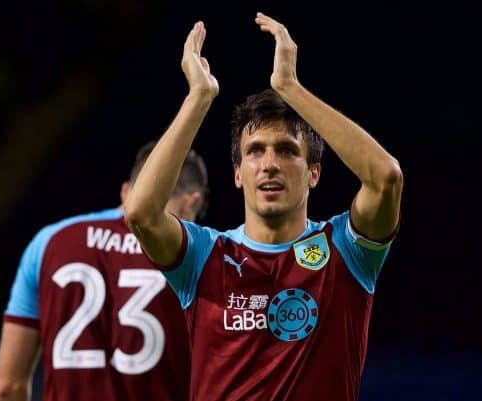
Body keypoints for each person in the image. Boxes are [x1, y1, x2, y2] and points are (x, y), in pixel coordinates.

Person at [123, 12, 403, 401]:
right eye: (255, 151)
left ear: (314, 173)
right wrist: (198, 98)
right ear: (238, 173)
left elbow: (386, 178)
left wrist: (290, 89)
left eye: (287, 151)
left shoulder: (346, 251)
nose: (270, 163)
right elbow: (140, 213)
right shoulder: (205, 255)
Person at [0, 141, 209, 401]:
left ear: (127, 191)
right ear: (191, 203)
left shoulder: (48, 242)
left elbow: (7, 387)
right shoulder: (196, 256)